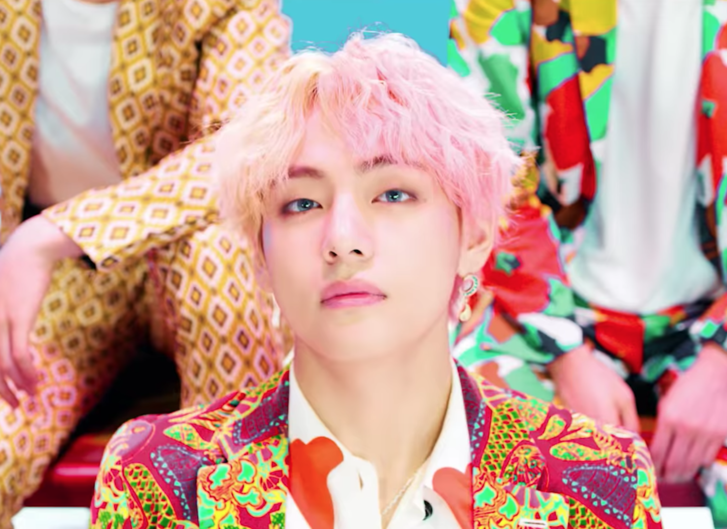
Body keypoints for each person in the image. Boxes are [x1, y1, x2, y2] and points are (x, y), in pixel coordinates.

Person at [90, 32, 662, 529]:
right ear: (261, 256)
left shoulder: (601, 478)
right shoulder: (155, 475)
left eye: (392, 194)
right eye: (302, 203)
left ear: (474, 237)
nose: (343, 239)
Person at [0, 0, 292, 523]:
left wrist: (54, 233)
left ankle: (233, 503)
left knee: (217, 254)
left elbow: (242, 147)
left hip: (196, 266)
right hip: (59, 286)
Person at [448, 0, 727, 523]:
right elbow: (490, 181)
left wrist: (720, 360)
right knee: (465, 441)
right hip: (550, 308)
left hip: (711, 315)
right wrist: (566, 354)